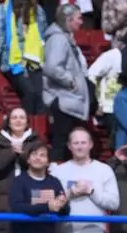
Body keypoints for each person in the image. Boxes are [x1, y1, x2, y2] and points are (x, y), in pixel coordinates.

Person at [48, 127, 119, 233]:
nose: (80, 147)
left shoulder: (104, 170)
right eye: (76, 143)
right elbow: (50, 202)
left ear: (90, 145)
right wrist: (70, 193)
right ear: (69, 146)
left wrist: (91, 191)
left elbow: (114, 203)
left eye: (83, 143)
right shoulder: (58, 171)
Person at [0, 0, 48, 115]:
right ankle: (26, 127)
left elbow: (43, 38)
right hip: (11, 62)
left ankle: (38, 130)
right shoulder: (1, 10)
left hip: (33, 62)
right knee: (29, 93)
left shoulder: (38, 11)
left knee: (41, 96)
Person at [42, 4, 90, 162]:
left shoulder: (66, 38)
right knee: (61, 146)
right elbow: (52, 67)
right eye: (79, 18)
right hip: (63, 101)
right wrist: (71, 82)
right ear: (69, 19)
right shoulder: (58, 39)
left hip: (70, 101)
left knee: (69, 147)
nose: (81, 22)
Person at [8, 138, 68, 233]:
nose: (38, 158)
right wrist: (48, 207)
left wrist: (62, 205)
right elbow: (17, 207)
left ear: (48, 162)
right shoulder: (19, 181)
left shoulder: (55, 182)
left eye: (42, 155)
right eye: (34, 154)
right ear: (28, 160)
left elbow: (65, 210)